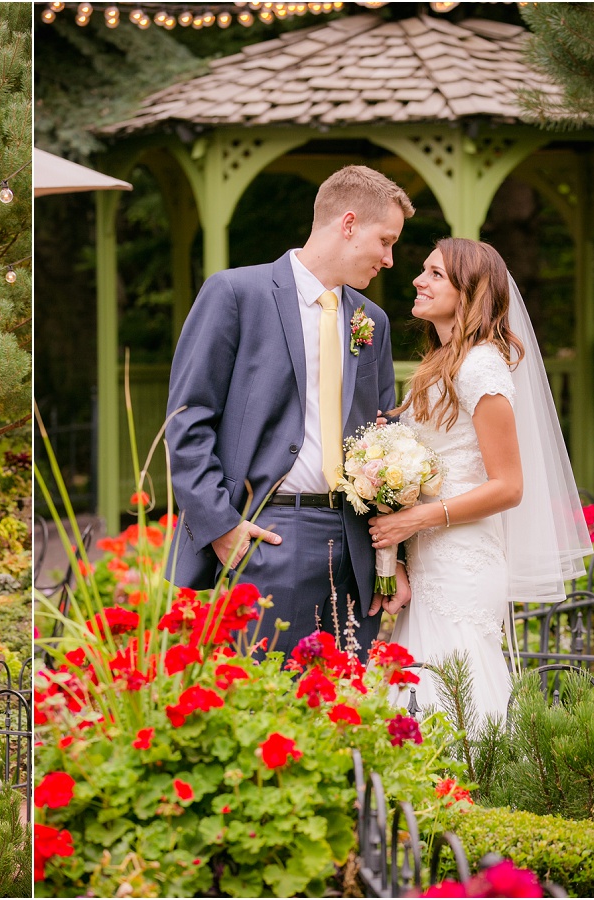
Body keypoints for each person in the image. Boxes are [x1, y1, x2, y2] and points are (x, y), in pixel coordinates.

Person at [165, 165, 414, 660]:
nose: (389, 260)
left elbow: (386, 443)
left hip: (354, 544)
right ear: (348, 225)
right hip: (269, 537)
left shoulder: (372, 321)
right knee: (268, 713)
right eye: (384, 241)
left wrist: (388, 557)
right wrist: (221, 526)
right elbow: (187, 421)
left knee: (343, 713)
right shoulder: (236, 294)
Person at [369, 238, 591, 721]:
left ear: (467, 293)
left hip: (461, 560)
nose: (417, 281)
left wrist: (417, 517)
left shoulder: (481, 366)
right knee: (427, 690)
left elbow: (509, 486)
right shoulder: (441, 362)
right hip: (428, 553)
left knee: (457, 693)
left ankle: (469, 793)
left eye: (434, 275)